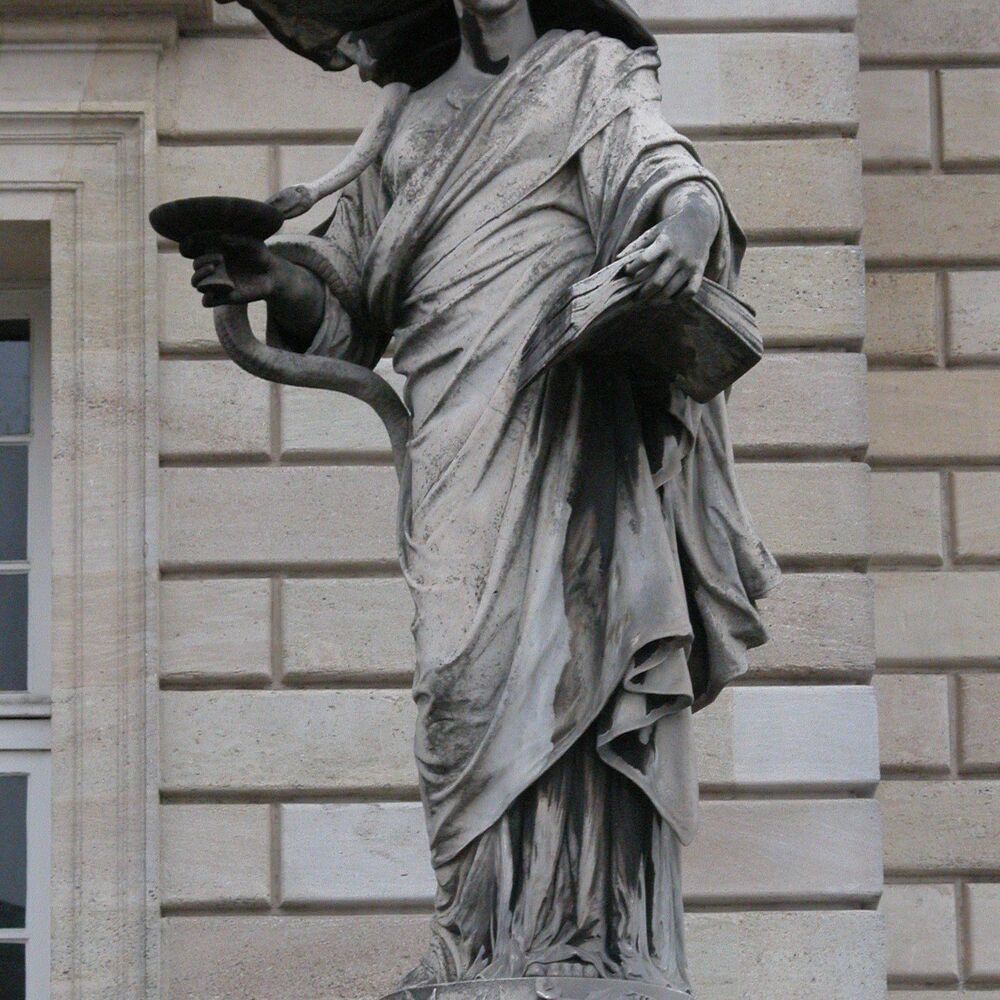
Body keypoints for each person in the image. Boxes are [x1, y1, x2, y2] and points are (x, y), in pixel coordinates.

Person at [191, 0, 780, 989]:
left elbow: (668, 175)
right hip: (457, 442)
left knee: (578, 655)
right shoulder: (408, 115)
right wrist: (268, 280)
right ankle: (477, 939)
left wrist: (686, 222)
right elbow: (342, 297)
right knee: (458, 680)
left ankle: (579, 942)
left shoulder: (588, 70)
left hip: (567, 422)